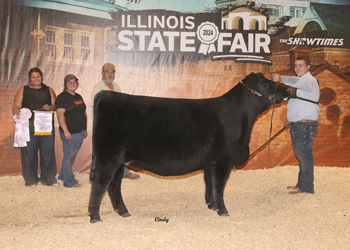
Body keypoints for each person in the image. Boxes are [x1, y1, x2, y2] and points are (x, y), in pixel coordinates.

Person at [272, 57, 320, 194]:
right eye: (295, 66)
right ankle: (301, 184)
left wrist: (281, 78)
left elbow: (295, 81)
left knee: (304, 155)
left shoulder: (308, 80)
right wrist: (291, 119)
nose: (297, 68)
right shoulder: (302, 82)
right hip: (298, 123)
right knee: (301, 155)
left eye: (300, 65)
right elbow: (300, 103)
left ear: (308, 67)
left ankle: (307, 187)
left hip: (304, 125)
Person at [91, 63, 140, 180]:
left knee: (119, 149)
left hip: (116, 125)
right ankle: (96, 174)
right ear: (102, 73)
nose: (110, 74)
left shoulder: (116, 87)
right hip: (103, 125)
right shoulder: (98, 89)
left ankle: (124, 172)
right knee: (100, 151)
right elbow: (97, 109)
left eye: (112, 72)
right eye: (108, 72)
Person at [12, 67, 58, 187]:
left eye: (38, 76)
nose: (36, 79)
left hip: (45, 124)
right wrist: (16, 110)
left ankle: (48, 179)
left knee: (47, 153)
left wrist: (50, 107)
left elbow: (55, 105)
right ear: (30, 78)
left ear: (42, 77)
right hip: (28, 125)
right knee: (28, 153)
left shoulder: (49, 89)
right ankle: (31, 180)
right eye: (33, 77)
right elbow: (16, 105)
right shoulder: (23, 90)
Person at [55, 74, 88, 188]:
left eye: (74, 82)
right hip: (70, 132)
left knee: (71, 155)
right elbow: (60, 114)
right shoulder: (62, 97)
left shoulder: (79, 96)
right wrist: (66, 131)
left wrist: (85, 128)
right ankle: (69, 182)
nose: (72, 84)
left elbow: (84, 112)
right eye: (70, 82)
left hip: (80, 131)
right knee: (70, 156)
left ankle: (63, 175)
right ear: (65, 84)